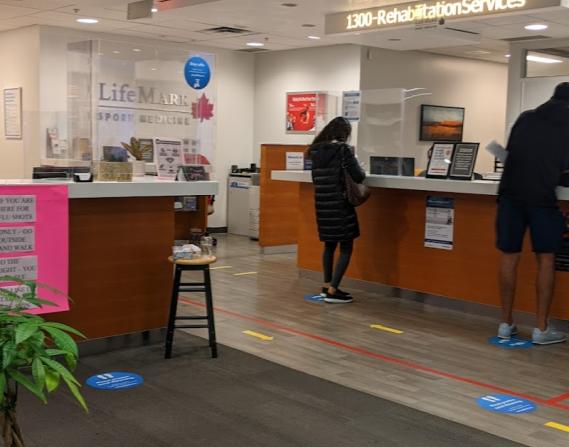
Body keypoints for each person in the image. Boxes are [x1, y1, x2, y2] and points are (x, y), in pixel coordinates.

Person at [496, 82, 569, 345]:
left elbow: (508, 155)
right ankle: (541, 328)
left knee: (509, 257)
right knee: (546, 259)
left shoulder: (526, 117)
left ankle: (505, 324)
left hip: (510, 195)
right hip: (542, 197)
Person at [308, 117, 366, 303]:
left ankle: (326, 286)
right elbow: (358, 176)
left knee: (329, 245)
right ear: (344, 133)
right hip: (340, 205)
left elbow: (315, 179)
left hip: (322, 204)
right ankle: (333, 291)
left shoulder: (315, 151)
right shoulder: (343, 150)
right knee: (346, 247)